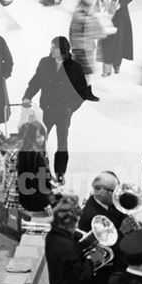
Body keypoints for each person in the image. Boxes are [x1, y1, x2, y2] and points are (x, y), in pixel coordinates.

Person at [22, 36, 98, 183]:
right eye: (51, 47)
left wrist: (70, 108)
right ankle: (41, 171)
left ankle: (60, 173)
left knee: (62, 143)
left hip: (64, 113)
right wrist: (27, 96)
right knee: (40, 142)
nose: (50, 50)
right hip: (46, 111)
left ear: (62, 50)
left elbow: (82, 93)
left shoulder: (75, 67)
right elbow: (36, 82)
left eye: (53, 48)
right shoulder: (45, 62)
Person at [3, 119, 55, 224]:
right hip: (31, 199)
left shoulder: (23, 151)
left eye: (42, 135)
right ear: (30, 138)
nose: (41, 139)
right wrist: (46, 204)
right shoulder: (34, 155)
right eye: (37, 136)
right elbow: (38, 184)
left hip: (23, 196)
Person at [97, 0, 134, 75]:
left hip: (121, 16)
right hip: (108, 15)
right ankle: (106, 69)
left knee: (120, 42)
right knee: (107, 41)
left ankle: (117, 65)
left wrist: (120, 4)